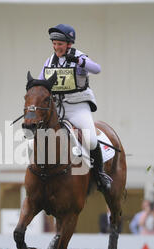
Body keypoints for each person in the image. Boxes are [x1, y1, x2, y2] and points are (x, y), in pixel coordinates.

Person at [37, 24, 112, 193]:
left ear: (69, 44)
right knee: (38, 134)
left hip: (77, 107)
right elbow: (42, 82)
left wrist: (79, 61)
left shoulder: (79, 57)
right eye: (54, 44)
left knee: (91, 139)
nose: (56, 47)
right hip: (57, 108)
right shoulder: (50, 61)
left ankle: (99, 175)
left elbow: (97, 69)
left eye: (60, 44)